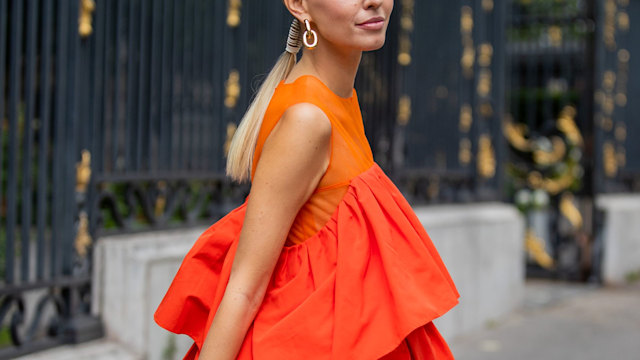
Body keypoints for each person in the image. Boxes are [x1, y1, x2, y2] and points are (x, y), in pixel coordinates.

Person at [154, 0, 460, 359]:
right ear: (299, 5)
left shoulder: (336, 99)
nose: (372, 1)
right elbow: (245, 286)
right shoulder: (308, 119)